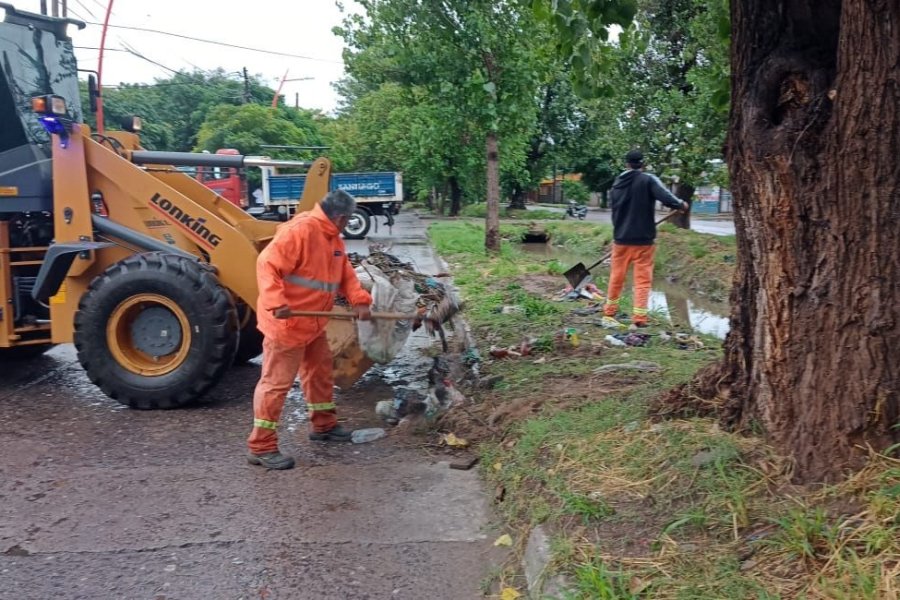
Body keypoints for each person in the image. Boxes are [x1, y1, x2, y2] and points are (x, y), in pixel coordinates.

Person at [247, 190, 373, 470]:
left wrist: (360, 300)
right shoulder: (300, 231)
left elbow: (345, 275)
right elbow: (266, 265)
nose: (349, 223)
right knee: (276, 384)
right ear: (340, 217)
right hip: (287, 324)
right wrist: (276, 302)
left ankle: (324, 426)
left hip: (314, 323)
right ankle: (261, 446)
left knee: (320, 374)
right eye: (349, 219)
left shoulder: (334, 239)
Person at [602, 150, 689, 328]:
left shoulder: (617, 183)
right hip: (643, 241)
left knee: (616, 276)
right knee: (642, 279)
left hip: (620, 239)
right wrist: (681, 204)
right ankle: (639, 318)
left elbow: (615, 210)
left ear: (627, 164)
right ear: (643, 164)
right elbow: (667, 198)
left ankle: (609, 312)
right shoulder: (648, 179)